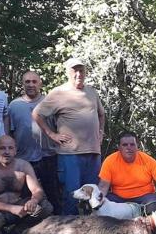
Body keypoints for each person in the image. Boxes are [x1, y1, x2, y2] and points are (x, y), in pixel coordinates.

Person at [33, 58, 105, 215]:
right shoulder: (58, 93)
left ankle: (91, 231)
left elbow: (101, 114)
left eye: (81, 70)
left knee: (93, 195)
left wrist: (101, 133)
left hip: (93, 152)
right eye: (75, 70)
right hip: (70, 154)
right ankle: (68, 232)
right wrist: (52, 134)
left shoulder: (91, 92)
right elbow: (37, 114)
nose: (78, 74)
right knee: (71, 195)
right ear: (68, 72)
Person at [0, 135, 53, 234]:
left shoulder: (24, 165)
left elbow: (37, 189)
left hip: (19, 207)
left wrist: (33, 201)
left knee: (45, 208)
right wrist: (11, 208)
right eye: (2, 148)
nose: (6, 152)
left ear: (15, 150)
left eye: (10, 148)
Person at [98, 132, 156, 216]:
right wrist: (96, 203)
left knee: (154, 204)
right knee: (104, 202)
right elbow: (103, 187)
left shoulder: (147, 160)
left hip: (145, 197)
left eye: (132, 144)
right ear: (119, 147)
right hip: (119, 199)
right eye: (125, 145)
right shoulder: (110, 161)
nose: (129, 147)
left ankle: (150, 230)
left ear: (137, 146)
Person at [9, 71, 60, 213]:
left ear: (40, 84)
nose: (31, 84)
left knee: (53, 193)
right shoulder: (14, 105)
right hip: (23, 159)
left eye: (34, 81)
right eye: (27, 82)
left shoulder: (50, 103)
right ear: (22, 84)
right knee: (25, 196)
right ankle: (28, 230)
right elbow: (9, 132)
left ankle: (59, 227)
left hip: (48, 156)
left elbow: (61, 127)